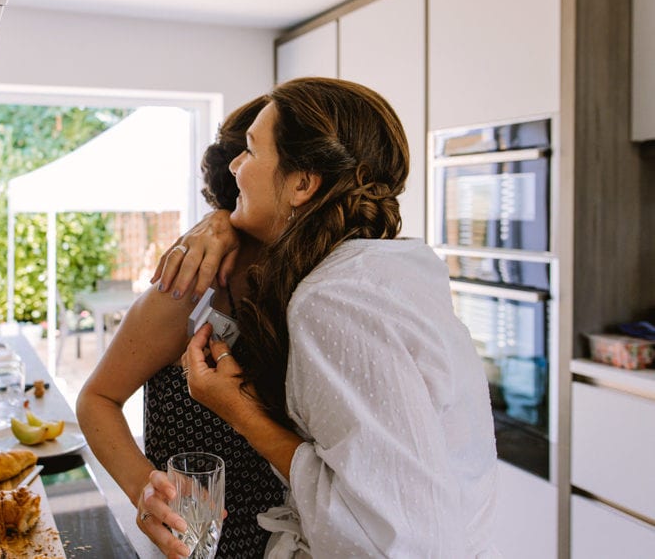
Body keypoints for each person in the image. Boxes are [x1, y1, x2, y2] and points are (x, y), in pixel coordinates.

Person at [149, 77, 500, 557]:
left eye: (250, 151)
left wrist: (239, 411)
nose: (234, 165)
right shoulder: (383, 272)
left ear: (302, 183)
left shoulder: (331, 300)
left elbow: (386, 538)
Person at [76, 98, 286, 559]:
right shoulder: (189, 286)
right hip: (198, 538)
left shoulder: (308, 281)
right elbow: (97, 399)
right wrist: (141, 490)